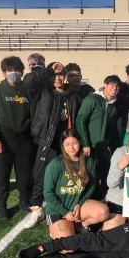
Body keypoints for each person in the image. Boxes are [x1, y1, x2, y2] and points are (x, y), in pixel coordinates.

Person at [0, 56, 34, 221]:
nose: (14, 73)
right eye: (10, 71)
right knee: (1, 176)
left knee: (25, 175)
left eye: (17, 70)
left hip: (24, 139)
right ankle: (1, 206)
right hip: (3, 139)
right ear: (4, 73)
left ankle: (24, 200)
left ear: (22, 71)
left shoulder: (27, 90)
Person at [22, 62, 73, 229]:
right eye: (55, 75)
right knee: (40, 174)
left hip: (68, 142)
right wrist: (48, 70)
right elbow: (28, 80)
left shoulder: (70, 94)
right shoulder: (43, 93)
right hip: (48, 141)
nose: (57, 78)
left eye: (60, 75)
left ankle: (62, 204)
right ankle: (36, 207)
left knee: (66, 174)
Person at [44, 129, 109, 240]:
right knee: (68, 247)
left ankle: (80, 225)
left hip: (77, 207)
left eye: (74, 143)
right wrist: (65, 213)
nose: (71, 147)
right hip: (58, 210)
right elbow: (48, 193)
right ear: (62, 146)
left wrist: (80, 203)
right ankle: (58, 228)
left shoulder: (89, 162)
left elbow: (92, 185)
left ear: (80, 142)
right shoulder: (56, 164)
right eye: (67, 144)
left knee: (104, 212)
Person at [76, 75, 122, 199]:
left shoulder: (112, 106)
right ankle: (86, 200)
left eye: (117, 86)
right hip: (89, 146)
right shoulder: (92, 99)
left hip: (102, 147)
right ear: (105, 85)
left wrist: (108, 145)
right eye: (112, 84)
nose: (115, 88)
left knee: (103, 172)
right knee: (88, 174)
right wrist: (85, 144)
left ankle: (101, 197)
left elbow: (111, 129)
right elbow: (80, 121)